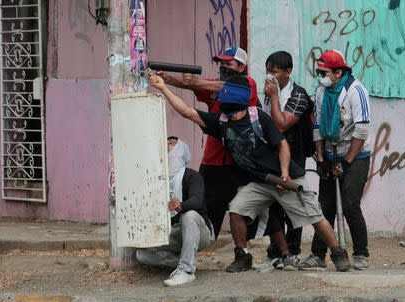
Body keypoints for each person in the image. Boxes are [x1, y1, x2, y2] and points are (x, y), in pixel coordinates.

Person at [148, 73, 351, 273]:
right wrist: (163, 87)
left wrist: (285, 173)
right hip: (260, 182)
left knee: (314, 216)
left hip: (286, 178)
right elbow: (188, 112)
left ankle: (338, 253)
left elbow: (282, 145)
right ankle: (243, 255)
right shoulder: (221, 123)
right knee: (236, 209)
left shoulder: (258, 117)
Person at [156, 46, 258, 239]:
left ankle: (249, 251)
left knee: (245, 212)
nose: (224, 67)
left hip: (241, 162)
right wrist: (168, 80)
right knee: (208, 212)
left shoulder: (247, 83)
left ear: (242, 67)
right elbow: (193, 85)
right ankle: (203, 244)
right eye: (221, 63)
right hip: (213, 160)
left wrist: (196, 82)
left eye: (229, 64)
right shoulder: (211, 84)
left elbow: (217, 86)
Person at [298, 50, 371, 270]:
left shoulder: (356, 91)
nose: (320, 76)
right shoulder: (321, 90)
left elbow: (362, 129)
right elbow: (318, 125)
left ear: (338, 72)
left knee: (350, 203)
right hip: (330, 152)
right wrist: (321, 159)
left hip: (355, 154)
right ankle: (318, 255)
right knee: (325, 206)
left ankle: (361, 254)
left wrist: (346, 162)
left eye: (324, 72)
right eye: (319, 72)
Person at [252, 51, 313, 271]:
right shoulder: (270, 92)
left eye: (275, 71)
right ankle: (275, 253)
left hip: (293, 156)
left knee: (293, 205)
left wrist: (275, 96)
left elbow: (280, 125)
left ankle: (293, 252)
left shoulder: (298, 95)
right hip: (272, 155)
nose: (270, 75)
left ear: (288, 71)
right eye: (268, 70)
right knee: (272, 205)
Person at [136, 137, 212, 286]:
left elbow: (197, 200)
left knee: (188, 216)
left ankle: (186, 271)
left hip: (198, 231)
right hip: (173, 233)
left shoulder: (192, 176)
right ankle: (182, 259)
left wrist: (181, 205)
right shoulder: (157, 180)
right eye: (164, 143)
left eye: (171, 143)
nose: (166, 145)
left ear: (181, 151)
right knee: (142, 254)